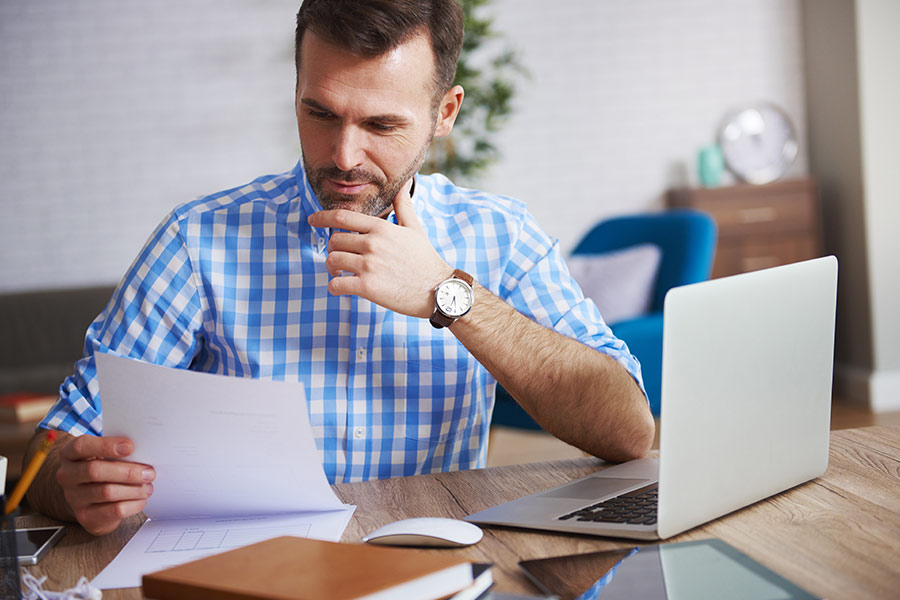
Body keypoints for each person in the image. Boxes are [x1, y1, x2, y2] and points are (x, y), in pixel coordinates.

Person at [24, 0, 654, 536]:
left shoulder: (502, 235)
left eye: (382, 124)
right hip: (249, 576)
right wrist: (71, 483)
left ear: (446, 112)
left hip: (435, 567)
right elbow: (52, 448)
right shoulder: (197, 241)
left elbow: (628, 431)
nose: (343, 156)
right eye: (320, 113)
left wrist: (447, 294)